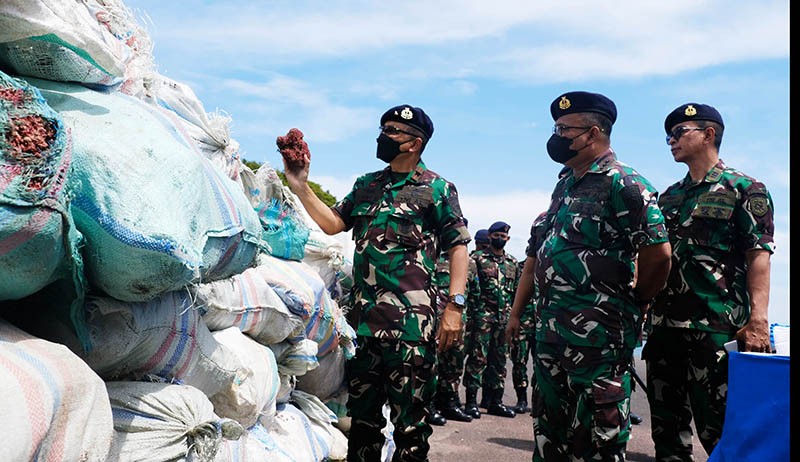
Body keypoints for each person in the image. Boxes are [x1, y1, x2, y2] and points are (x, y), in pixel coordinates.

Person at [282, 104, 471, 461]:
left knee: (410, 428)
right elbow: (333, 224)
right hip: (365, 327)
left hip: (411, 329)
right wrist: (300, 185)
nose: (383, 136)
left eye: (393, 131)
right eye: (383, 129)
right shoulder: (367, 185)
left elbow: (458, 247)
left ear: (414, 143)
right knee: (363, 425)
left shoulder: (437, 189)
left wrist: (455, 306)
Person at [506, 91, 672, 461]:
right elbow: (540, 256)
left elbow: (659, 254)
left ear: (593, 133)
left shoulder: (625, 183)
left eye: (564, 129)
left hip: (599, 338)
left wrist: (640, 298)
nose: (557, 136)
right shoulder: (565, 184)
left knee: (599, 439)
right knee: (550, 434)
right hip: (551, 335)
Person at [643, 102, 775, 460]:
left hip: (715, 327)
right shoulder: (669, 196)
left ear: (708, 134)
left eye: (678, 133)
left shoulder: (745, 189)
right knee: (667, 431)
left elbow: (758, 256)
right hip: (665, 327)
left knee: (719, 429)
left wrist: (758, 320)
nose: (671, 141)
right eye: (668, 136)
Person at [463, 220, 519, 418]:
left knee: (499, 361)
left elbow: (516, 291)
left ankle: (495, 401)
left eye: (503, 237)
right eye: (496, 236)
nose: (500, 239)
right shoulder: (477, 259)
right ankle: (471, 402)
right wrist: (474, 313)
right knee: (478, 358)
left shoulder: (512, 263)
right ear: (489, 237)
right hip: (483, 318)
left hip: (504, 319)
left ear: (508, 239)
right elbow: (470, 287)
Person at [429, 222, 477, 425]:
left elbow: (474, 294)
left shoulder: (469, 263)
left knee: (454, 363)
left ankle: (449, 403)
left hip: (459, 321)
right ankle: (429, 405)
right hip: (432, 320)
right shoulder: (431, 255)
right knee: (431, 363)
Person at [508, 258, 537, 414]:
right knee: (519, 361)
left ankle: (538, 401)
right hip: (522, 324)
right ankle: (521, 399)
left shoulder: (548, 266)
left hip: (542, 324)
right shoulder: (518, 269)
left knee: (542, 365)